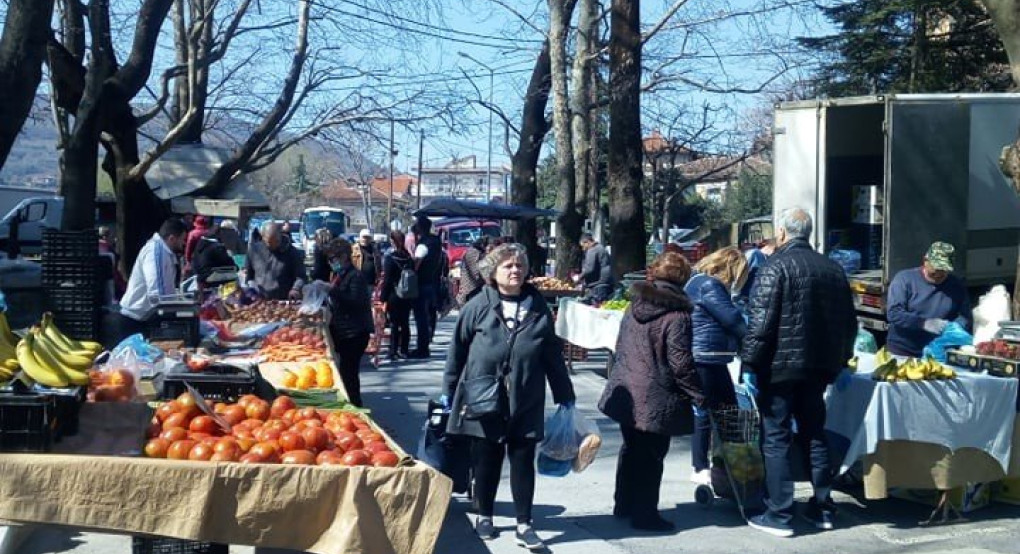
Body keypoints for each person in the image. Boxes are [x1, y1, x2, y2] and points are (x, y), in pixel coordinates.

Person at [443, 243, 576, 550]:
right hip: (483, 395)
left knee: (522, 459)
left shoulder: (538, 305)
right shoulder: (478, 305)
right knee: (487, 458)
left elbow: (552, 354)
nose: (515, 270)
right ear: (493, 272)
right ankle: (485, 514)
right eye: (508, 266)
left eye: (519, 265)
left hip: (526, 396)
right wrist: (449, 390)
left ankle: (524, 523)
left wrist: (564, 394)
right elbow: (457, 351)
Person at [740, 207, 857, 537]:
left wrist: (749, 363)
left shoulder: (774, 267)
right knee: (814, 431)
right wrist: (842, 361)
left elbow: (760, 325)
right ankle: (822, 506)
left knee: (775, 437)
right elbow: (849, 324)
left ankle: (779, 514)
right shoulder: (834, 269)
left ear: (781, 233)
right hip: (819, 368)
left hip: (779, 368)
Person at [598, 252, 704, 532]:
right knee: (652, 455)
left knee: (631, 449)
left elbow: (620, 344)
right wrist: (698, 393)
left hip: (628, 390)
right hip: (656, 394)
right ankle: (644, 514)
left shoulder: (635, 304)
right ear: (683, 279)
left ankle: (624, 504)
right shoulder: (677, 316)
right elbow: (681, 362)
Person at [683, 247, 749, 486]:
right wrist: (751, 337)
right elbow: (730, 318)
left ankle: (719, 464)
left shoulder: (697, 282)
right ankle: (706, 467)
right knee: (714, 410)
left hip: (708, 355)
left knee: (718, 410)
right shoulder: (709, 285)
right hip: (707, 355)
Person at [886, 241, 973, 357]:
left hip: (937, 352)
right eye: (935, 268)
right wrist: (923, 323)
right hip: (903, 351)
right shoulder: (904, 279)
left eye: (943, 270)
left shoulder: (955, 286)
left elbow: (964, 315)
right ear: (925, 261)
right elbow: (894, 313)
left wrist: (957, 326)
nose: (938, 273)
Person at [115, 218, 188, 343]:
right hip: (135, 320)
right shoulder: (156, 252)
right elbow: (157, 293)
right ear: (172, 238)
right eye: (182, 239)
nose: (184, 243)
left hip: (145, 318)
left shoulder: (165, 252)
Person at [323, 238, 374, 407]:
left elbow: (355, 302)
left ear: (344, 256)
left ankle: (355, 405)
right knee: (346, 372)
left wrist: (333, 291)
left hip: (354, 333)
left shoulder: (355, 276)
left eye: (333, 259)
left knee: (349, 373)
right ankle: (351, 402)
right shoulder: (339, 275)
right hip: (343, 331)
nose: (331, 263)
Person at [243, 222, 306, 300]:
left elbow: (301, 276)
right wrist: (252, 290)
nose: (273, 245)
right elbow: (249, 276)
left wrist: (295, 289)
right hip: (260, 300)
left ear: (280, 235)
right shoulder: (254, 250)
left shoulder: (293, 252)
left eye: (276, 241)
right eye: (269, 243)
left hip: (284, 299)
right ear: (263, 237)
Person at [409, 216, 444, 358]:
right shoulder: (436, 242)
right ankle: (424, 345)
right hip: (433, 282)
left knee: (421, 318)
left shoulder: (424, 244)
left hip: (422, 283)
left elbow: (416, 265)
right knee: (428, 315)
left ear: (420, 227)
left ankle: (422, 348)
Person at [379, 230, 414, 361]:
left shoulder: (390, 258)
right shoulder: (409, 258)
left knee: (394, 323)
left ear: (392, 241)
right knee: (405, 322)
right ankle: (404, 349)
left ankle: (393, 350)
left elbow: (387, 280)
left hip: (394, 294)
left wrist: (383, 298)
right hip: (407, 293)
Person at [580, 233, 614, 302]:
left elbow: (589, 269)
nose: (583, 249)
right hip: (606, 282)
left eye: (583, 246)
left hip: (597, 284)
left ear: (587, 242)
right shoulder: (601, 248)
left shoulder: (592, 250)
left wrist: (579, 277)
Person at [456, 236, 488, 307]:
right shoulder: (477, 253)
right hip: (474, 286)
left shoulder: (469, 251)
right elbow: (477, 272)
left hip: (467, 284)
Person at [352, 228, 383, 297]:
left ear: (370, 239)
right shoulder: (353, 249)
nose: (365, 239)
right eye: (363, 237)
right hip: (357, 282)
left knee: (368, 303)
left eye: (367, 237)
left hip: (370, 283)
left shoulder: (375, 250)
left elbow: (379, 265)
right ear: (359, 238)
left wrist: (379, 278)